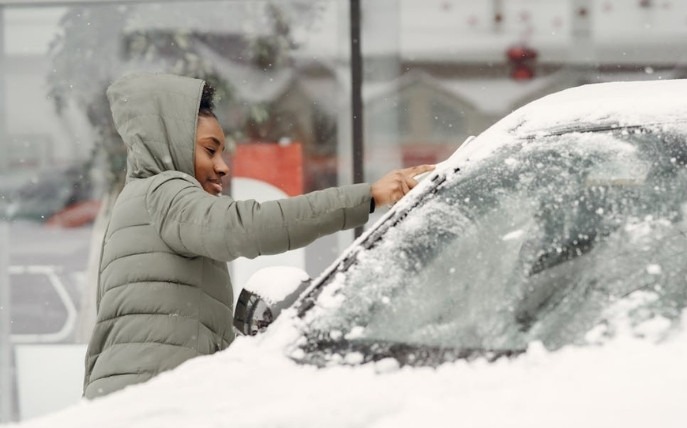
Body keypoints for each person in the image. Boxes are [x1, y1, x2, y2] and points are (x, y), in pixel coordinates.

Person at [83, 73, 433, 398]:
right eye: (210, 150)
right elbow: (246, 227)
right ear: (172, 144)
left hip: (131, 396)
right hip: (149, 401)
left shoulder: (140, 202)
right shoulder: (165, 192)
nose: (222, 166)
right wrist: (368, 196)